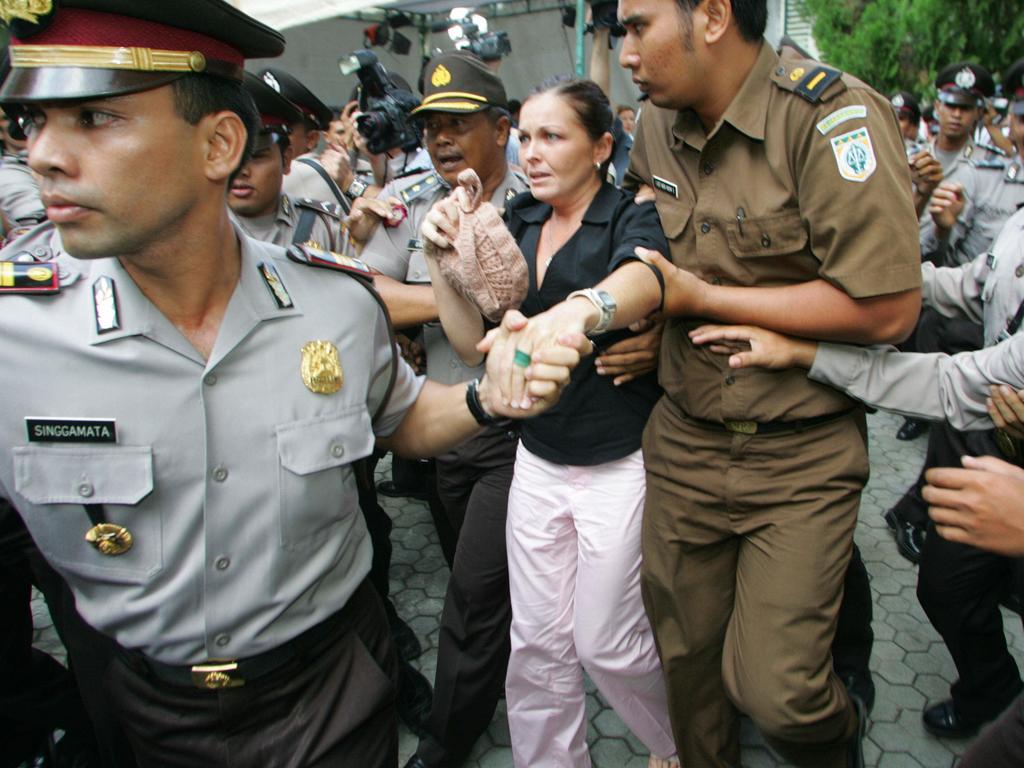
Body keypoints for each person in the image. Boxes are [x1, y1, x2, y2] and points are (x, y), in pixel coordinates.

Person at [0, 3, 583, 766]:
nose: (44, 155)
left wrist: (487, 397)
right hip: (138, 706)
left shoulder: (334, 302)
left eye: (94, 118)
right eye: (30, 123)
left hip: (333, 689)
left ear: (218, 143)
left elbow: (402, 421)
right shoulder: (16, 337)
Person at [612, 1, 922, 765]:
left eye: (637, 25)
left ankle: (837, 741)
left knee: (778, 690)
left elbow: (887, 307)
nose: (624, 53)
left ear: (712, 15)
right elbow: (641, 224)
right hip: (685, 440)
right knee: (686, 664)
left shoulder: (830, 117)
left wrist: (705, 298)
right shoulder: (656, 123)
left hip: (799, 454)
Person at [687, 202, 1024, 742]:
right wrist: (860, 283)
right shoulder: (1019, 224)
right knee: (947, 585)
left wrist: (806, 349)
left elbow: (947, 381)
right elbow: (967, 321)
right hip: (997, 443)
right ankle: (993, 688)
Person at [421, 74, 677, 768]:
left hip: (617, 463)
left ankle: (675, 740)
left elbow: (646, 280)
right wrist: (441, 262)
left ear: (600, 147)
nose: (532, 153)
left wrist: (580, 310)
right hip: (534, 457)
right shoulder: (517, 222)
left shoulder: (631, 217)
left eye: (552, 136)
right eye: (526, 137)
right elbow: (470, 333)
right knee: (536, 642)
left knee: (608, 642)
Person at [229, 73, 345, 251]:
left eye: (257, 156)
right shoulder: (191, 226)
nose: (242, 170)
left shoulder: (326, 227)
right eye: (232, 155)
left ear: (286, 159)